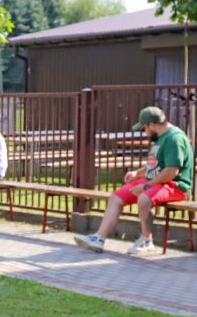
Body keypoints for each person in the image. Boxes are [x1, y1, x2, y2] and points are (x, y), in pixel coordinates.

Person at [74, 106, 193, 255]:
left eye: (144, 129)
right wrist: (137, 173)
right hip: (158, 182)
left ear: (151, 125)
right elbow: (156, 165)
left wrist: (146, 186)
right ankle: (98, 238)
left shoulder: (174, 138)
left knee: (144, 198)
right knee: (116, 197)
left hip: (176, 186)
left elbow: (171, 171)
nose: (144, 132)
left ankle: (146, 240)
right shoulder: (161, 136)